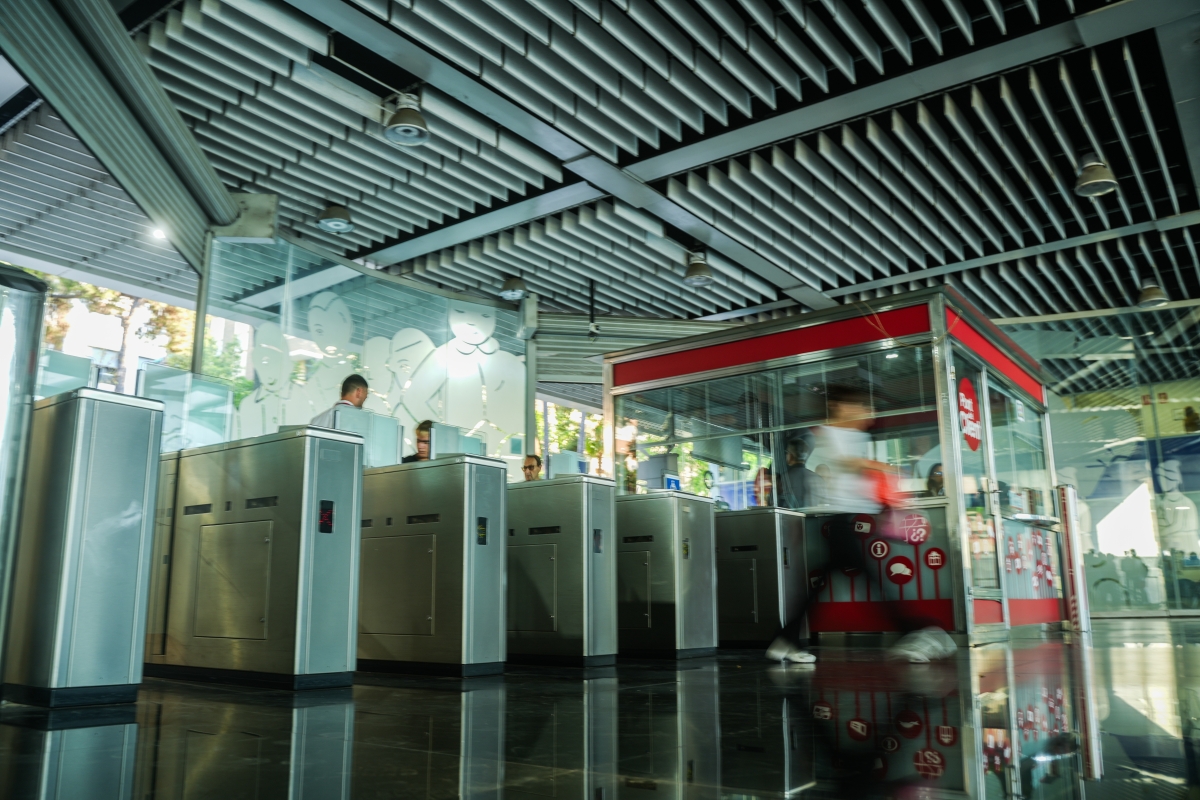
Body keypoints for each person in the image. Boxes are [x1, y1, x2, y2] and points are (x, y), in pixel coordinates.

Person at [765, 384, 957, 664]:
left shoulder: (857, 436)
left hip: (850, 520)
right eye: (861, 408)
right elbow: (848, 464)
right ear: (842, 408)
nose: (867, 414)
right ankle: (919, 630)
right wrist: (883, 467)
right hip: (841, 522)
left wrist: (885, 500)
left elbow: (860, 480)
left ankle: (785, 640)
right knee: (874, 582)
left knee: (826, 587)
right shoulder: (828, 433)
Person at [779, 436, 817, 508]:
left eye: (787, 453)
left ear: (791, 456)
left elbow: (776, 504)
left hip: (791, 518)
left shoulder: (785, 479)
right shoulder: (816, 478)